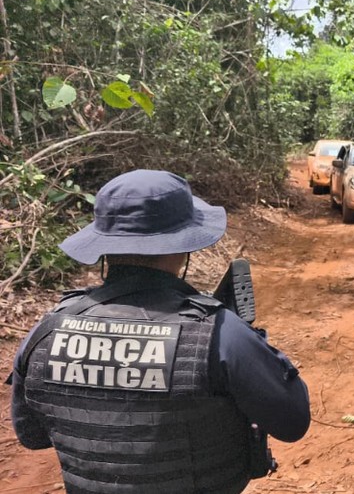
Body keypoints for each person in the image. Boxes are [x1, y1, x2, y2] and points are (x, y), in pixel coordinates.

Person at [8, 169, 310, 494]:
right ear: (182, 249)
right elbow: (292, 422)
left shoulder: (47, 331)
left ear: (105, 246)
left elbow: (32, 435)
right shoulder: (221, 333)